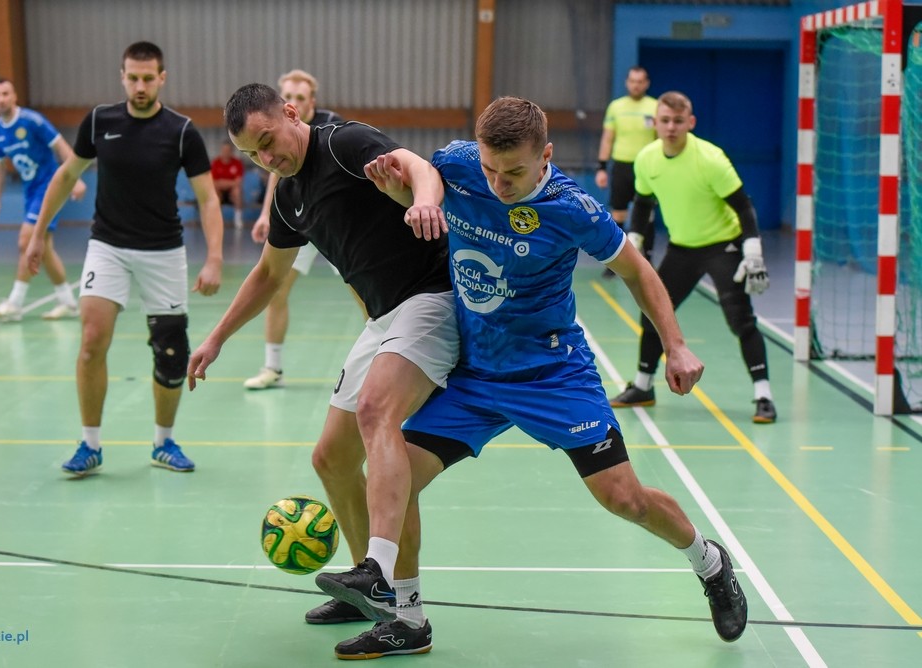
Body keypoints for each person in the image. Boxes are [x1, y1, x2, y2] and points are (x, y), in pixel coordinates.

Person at [327, 96, 748, 659]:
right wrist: (401, 194)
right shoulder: (458, 164)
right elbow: (420, 184)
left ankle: (710, 562)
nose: (498, 183)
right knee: (397, 476)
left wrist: (675, 345)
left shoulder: (574, 209)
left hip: (552, 375)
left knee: (624, 499)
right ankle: (407, 617)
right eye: (490, 169)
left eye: (514, 172)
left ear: (545, 156)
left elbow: (637, 270)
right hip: (475, 375)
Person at [186, 83, 457, 626]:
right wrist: (216, 338)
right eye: (252, 155)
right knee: (331, 459)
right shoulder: (288, 196)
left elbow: (418, 166)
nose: (266, 159)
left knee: (376, 411)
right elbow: (269, 274)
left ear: (291, 113)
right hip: (383, 317)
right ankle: (366, 591)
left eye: (267, 141)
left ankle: (383, 576)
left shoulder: (342, 143)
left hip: (432, 299)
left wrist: (425, 201)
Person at [24, 41, 224, 476]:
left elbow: (208, 199)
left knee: (171, 351)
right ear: (122, 77)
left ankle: (163, 442)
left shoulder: (182, 131)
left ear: (162, 79)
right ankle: (90, 445)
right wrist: (38, 235)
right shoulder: (100, 121)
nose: (140, 86)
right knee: (92, 339)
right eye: (133, 78)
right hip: (108, 246)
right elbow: (66, 175)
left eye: (148, 78)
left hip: (164, 251)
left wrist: (214, 258)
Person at [609, 91, 776, 424]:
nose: (671, 127)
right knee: (653, 312)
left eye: (678, 121)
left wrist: (752, 252)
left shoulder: (711, 159)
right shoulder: (647, 159)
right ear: (655, 123)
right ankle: (643, 386)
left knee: (741, 320)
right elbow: (643, 203)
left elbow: (744, 207)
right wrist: (634, 240)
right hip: (682, 248)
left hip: (722, 246)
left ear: (691, 122)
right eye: (665, 121)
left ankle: (763, 396)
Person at [244, 68, 366, 391]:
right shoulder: (276, 134)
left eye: (300, 97)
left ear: (311, 101)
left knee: (363, 292)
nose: (294, 101)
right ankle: (272, 368)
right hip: (298, 221)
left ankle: (384, 356)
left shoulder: (333, 126)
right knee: (276, 290)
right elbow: (276, 172)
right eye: (288, 96)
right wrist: (265, 215)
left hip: (333, 222)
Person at [0, 77, 87, 322]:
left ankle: (15, 303)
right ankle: (68, 303)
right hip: (30, 191)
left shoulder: (32, 121)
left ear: (14, 96)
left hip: (49, 187)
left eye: (5, 94)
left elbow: (61, 146)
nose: (1, 99)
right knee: (45, 248)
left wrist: (75, 178)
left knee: (26, 240)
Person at [596, 66, 657, 275]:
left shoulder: (655, 106)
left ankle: (647, 260)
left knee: (647, 214)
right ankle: (615, 264)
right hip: (621, 167)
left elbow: (660, 140)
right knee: (618, 214)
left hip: (646, 168)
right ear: (627, 83)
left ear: (646, 83)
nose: (636, 85)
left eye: (640, 81)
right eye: (632, 81)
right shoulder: (616, 107)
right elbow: (607, 138)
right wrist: (602, 168)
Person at [211, 140, 246, 229]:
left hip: (232, 193)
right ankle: (217, 220)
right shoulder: (215, 163)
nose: (226, 152)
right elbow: (214, 183)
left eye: (228, 150)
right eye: (224, 150)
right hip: (220, 193)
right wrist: (230, 183)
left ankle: (238, 219)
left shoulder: (237, 163)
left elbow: (238, 182)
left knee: (237, 191)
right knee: (215, 192)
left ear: (232, 151)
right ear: (221, 150)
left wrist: (222, 182)